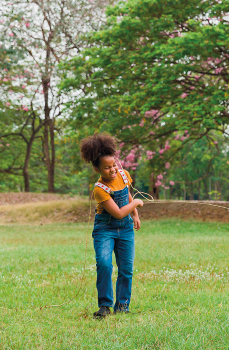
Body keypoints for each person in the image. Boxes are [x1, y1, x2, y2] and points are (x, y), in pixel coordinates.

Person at [80, 133, 143, 319]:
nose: (113, 170)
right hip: (105, 230)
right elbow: (117, 212)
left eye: (114, 164)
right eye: (107, 168)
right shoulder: (99, 189)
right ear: (97, 169)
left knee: (126, 268)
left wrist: (135, 214)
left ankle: (122, 305)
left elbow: (127, 195)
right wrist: (136, 204)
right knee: (105, 264)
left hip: (125, 229)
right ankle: (105, 306)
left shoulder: (124, 175)